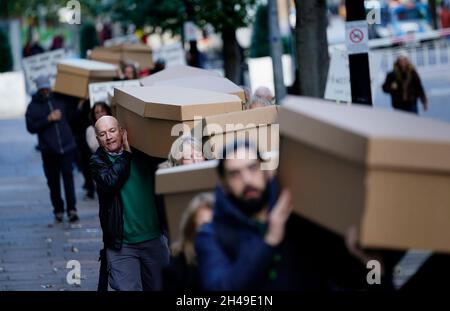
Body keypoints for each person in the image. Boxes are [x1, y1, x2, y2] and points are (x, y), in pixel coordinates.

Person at [195, 140, 370, 291]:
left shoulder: (298, 216)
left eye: (253, 168)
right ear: (224, 184)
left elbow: (351, 277)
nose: (247, 180)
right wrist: (269, 240)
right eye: (235, 174)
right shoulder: (211, 235)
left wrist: (370, 264)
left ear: (267, 170)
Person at [90, 116, 170, 291]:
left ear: (122, 131)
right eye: (102, 134)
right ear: (97, 139)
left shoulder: (145, 154)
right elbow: (111, 181)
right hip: (121, 245)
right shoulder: (97, 162)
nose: (109, 137)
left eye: (112, 131)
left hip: (154, 239)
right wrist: (126, 154)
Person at [25, 75, 79, 223]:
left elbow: (72, 115)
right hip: (49, 150)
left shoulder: (59, 99)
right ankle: (59, 210)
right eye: (42, 88)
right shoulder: (33, 106)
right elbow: (30, 127)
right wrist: (48, 119)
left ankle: (72, 209)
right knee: (53, 182)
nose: (45, 90)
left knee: (68, 178)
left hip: (67, 147)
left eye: (47, 87)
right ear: (38, 89)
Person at [163, 192, 214, 291]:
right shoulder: (177, 268)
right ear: (191, 230)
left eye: (214, 224)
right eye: (204, 226)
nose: (210, 231)